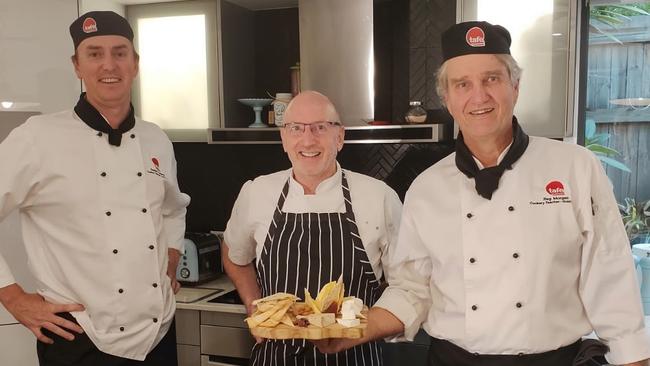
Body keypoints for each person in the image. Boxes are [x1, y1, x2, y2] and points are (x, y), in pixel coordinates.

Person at [315, 21, 650, 366]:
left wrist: (633, 358)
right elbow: (412, 288)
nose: (479, 96)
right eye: (462, 84)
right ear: (446, 98)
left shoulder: (575, 167)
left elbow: (610, 274)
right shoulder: (426, 187)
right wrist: (353, 330)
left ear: (515, 86)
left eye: (492, 79)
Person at [0, 11, 190, 366]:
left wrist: (173, 252)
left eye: (120, 53)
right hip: (79, 337)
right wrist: (12, 296)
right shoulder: (37, 137)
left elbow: (172, 207)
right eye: (94, 53)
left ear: (135, 64)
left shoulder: (156, 139)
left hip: (159, 332)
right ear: (77, 66)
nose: (109, 64)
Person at [222, 90, 402, 366]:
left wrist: (367, 326)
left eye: (320, 128)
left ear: (339, 137)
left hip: (355, 356)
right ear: (283, 138)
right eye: (296, 128)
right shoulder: (256, 192)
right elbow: (235, 256)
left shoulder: (379, 197)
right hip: (275, 357)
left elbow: (407, 285)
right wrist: (254, 306)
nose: (308, 140)